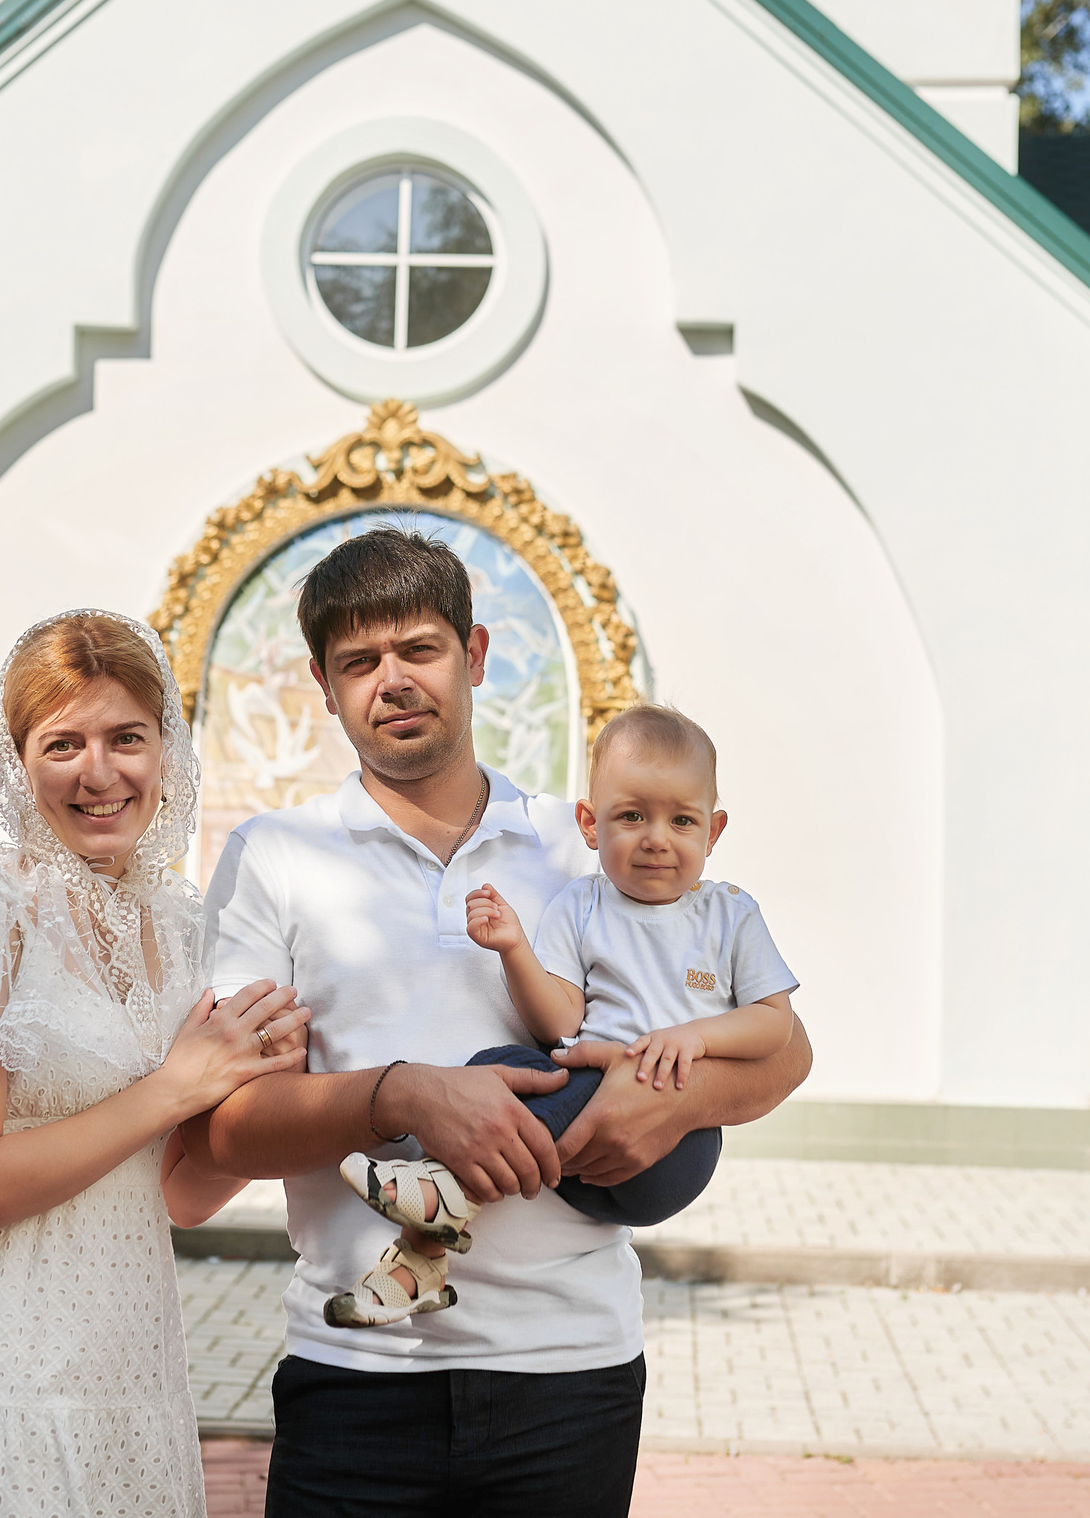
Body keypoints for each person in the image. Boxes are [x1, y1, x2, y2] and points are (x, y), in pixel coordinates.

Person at [182, 530, 813, 1518]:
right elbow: (216, 1129)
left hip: (572, 1370)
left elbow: (785, 1049)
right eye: (358, 661)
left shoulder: (592, 840)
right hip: (355, 1367)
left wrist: (667, 1103)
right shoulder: (273, 856)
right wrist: (399, 1093)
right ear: (322, 682)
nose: (391, 679)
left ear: (475, 657)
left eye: (419, 649)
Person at [0, 610, 309, 1518]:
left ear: (166, 751)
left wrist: (262, 1082)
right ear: (17, 762)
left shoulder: (176, 926)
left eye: (126, 737)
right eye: (63, 743)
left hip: (127, 1377)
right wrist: (175, 1085)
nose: (99, 773)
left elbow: (175, 1193)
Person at [327, 703, 798, 1324]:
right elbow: (559, 1024)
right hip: (573, 1135)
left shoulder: (730, 915)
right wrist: (516, 949)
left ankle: (442, 1194)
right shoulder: (582, 904)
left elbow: (774, 1024)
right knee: (494, 1067)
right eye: (632, 816)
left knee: (557, 1085)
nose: (656, 837)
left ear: (713, 832)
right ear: (590, 823)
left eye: (681, 821)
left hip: (671, 1148)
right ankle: (419, 1266)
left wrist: (693, 1039)